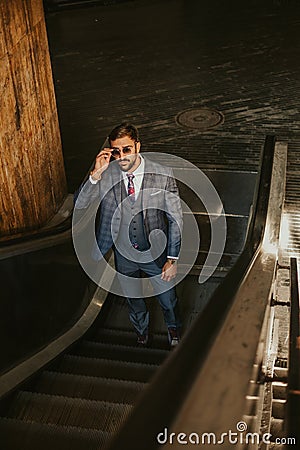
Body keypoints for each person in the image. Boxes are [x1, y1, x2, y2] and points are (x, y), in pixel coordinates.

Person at [74, 123, 182, 347]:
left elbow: (175, 218)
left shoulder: (162, 174)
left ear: (138, 147)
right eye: (116, 151)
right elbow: (79, 204)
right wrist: (95, 174)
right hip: (123, 256)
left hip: (156, 254)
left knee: (168, 300)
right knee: (133, 299)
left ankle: (174, 331)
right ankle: (141, 332)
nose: (121, 156)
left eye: (127, 149)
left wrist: (172, 259)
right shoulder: (106, 175)